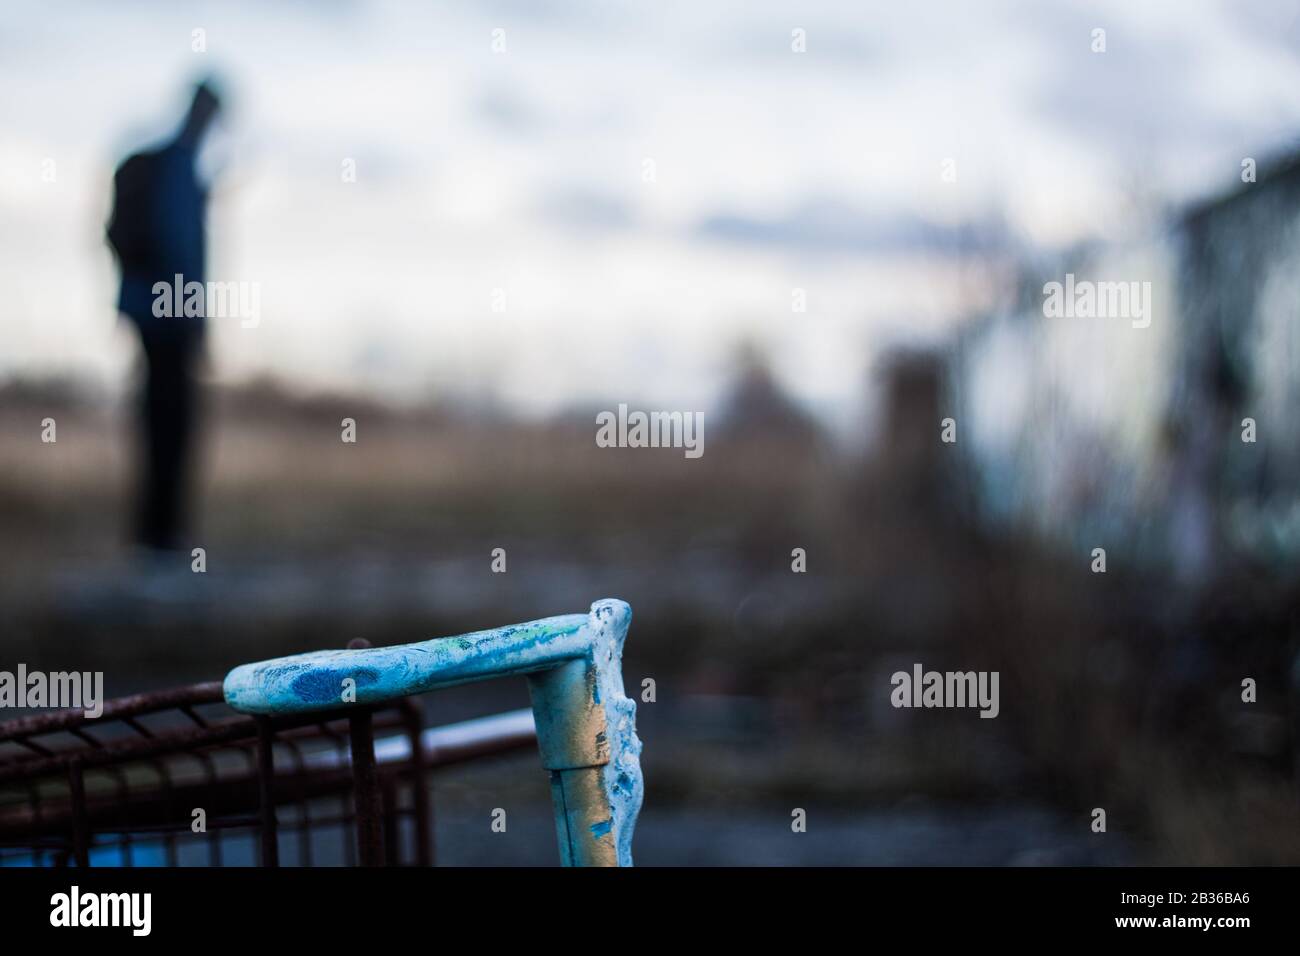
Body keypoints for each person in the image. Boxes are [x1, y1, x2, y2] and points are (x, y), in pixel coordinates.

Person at [107, 80, 222, 551]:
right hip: (169, 320)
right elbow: (182, 254)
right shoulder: (178, 170)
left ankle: (157, 534)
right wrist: (193, 319)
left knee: (159, 420)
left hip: (150, 314)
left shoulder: (175, 167)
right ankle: (161, 537)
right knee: (170, 423)